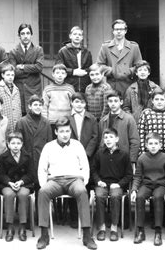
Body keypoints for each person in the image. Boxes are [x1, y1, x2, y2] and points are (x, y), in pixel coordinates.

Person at [36, 117, 97, 250]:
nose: (65, 134)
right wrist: (43, 185)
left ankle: (87, 235)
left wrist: (83, 181)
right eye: (62, 131)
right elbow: (42, 168)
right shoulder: (49, 147)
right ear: (56, 132)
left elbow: (85, 166)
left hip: (74, 180)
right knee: (43, 192)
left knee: (82, 192)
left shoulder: (77, 145)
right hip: (55, 181)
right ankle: (43, 235)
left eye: (67, 131)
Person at [131, 132, 165, 246]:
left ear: (160, 145)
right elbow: (137, 176)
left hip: (160, 185)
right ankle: (140, 231)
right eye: (150, 143)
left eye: (156, 143)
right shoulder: (142, 158)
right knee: (140, 197)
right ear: (146, 145)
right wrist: (134, 190)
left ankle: (158, 231)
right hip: (146, 184)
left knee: (158, 197)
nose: (153, 146)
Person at [91, 128, 132, 242]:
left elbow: (129, 175)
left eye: (111, 137)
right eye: (105, 137)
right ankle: (102, 228)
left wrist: (119, 184)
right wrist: (98, 181)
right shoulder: (99, 153)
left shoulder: (124, 154)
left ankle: (114, 228)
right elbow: (93, 170)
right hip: (102, 184)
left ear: (117, 139)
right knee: (99, 196)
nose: (108, 140)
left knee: (115, 196)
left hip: (117, 185)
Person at [66, 92, 99, 228]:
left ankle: (85, 217)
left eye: (81, 102)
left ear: (85, 104)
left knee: (85, 186)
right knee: (72, 184)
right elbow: (64, 136)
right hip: (71, 157)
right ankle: (74, 217)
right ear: (72, 103)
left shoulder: (91, 118)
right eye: (76, 102)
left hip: (87, 157)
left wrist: (85, 154)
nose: (79, 104)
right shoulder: (67, 118)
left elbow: (95, 137)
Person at [0, 132, 34, 242]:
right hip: (8, 184)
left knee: (23, 194)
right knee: (9, 195)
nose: (16, 146)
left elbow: (31, 174)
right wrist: (9, 183)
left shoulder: (27, 156)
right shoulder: (3, 157)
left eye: (18, 143)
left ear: (22, 144)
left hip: (23, 183)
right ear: (8, 144)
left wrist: (22, 182)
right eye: (13, 143)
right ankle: (10, 226)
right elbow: (1, 174)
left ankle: (22, 226)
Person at [96, 19, 143, 95]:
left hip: (128, 84)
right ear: (113, 31)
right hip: (111, 85)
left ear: (125, 31)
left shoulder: (133, 47)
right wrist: (112, 71)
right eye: (116, 29)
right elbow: (99, 65)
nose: (119, 31)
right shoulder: (105, 46)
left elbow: (139, 66)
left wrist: (128, 71)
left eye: (121, 29)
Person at [15, 95, 53, 185]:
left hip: (42, 158)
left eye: (40, 105)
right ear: (29, 106)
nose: (38, 107)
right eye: (35, 105)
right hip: (27, 159)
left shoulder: (46, 122)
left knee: (42, 185)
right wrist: (25, 156)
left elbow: (49, 142)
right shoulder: (22, 122)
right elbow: (17, 141)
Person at [8, 23, 44, 115]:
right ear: (19, 36)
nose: (25, 36)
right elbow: (13, 72)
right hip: (19, 88)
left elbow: (39, 67)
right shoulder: (13, 51)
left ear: (31, 35)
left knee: (34, 113)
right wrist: (32, 69)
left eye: (28, 33)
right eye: (22, 34)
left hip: (34, 88)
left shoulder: (38, 50)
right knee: (20, 115)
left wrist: (23, 66)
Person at [138, 89, 165, 159]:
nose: (159, 102)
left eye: (162, 99)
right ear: (152, 100)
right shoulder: (146, 114)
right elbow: (141, 135)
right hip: (150, 151)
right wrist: (142, 151)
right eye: (156, 99)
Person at [99, 90, 140, 166]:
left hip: (123, 159)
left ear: (121, 102)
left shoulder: (128, 119)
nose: (113, 104)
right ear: (107, 103)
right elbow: (101, 142)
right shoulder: (103, 120)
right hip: (107, 159)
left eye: (116, 101)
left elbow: (134, 141)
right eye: (110, 101)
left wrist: (132, 160)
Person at [56, 26, 92, 93]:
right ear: (70, 36)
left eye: (79, 35)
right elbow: (59, 68)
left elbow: (89, 68)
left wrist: (84, 72)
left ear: (82, 38)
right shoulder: (63, 51)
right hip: (69, 85)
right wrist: (73, 72)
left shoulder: (87, 52)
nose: (77, 36)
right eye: (75, 34)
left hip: (84, 85)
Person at [42, 63, 75, 131]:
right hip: (52, 121)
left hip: (66, 120)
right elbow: (44, 106)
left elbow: (73, 105)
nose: (60, 75)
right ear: (53, 74)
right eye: (57, 73)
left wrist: (72, 119)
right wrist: (45, 120)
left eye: (62, 73)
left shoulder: (70, 88)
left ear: (66, 75)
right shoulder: (47, 89)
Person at [0, 64, 22, 132]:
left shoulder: (16, 89)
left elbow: (19, 108)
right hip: (2, 124)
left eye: (12, 75)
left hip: (16, 124)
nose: (10, 77)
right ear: (2, 75)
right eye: (8, 75)